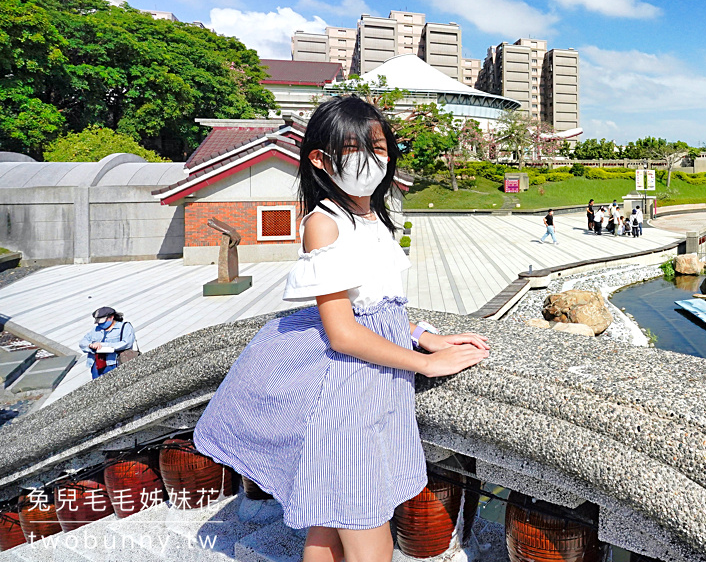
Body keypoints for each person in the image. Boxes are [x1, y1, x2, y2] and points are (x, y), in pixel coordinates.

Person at [193, 96, 489, 562]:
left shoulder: (373, 215)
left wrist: (423, 333)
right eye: (353, 148)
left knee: (328, 529)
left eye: (378, 144)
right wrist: (427, 363)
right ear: (320, 159)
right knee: (370, 537)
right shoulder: (324, 224)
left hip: (373, 389)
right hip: (349, 400)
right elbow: (343, 333)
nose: (371, 158)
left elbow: (373, 305)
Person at [78, 307, 136, 379]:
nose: (100, 324)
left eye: (102, 321)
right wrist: (90, 346)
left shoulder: (125, 327)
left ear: (111, 317)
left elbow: (127, 343)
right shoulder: (96, 329)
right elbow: (82, 342)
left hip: (115, 363)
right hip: (97, 365)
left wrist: (103, 346)